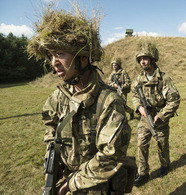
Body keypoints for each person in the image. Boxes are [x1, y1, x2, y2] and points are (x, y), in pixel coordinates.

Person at [27, 8, 135, 194]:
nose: (54, 62)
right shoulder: (58, 97)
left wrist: (71, 184)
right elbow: (51, 131)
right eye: (51, 56)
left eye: (60, 53)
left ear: (83, 58)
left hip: (98, 187)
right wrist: (51, 168)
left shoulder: (109, 101)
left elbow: (110, 156)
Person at [131, 40, 180, 186]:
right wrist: (139, 107)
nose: (142, 62)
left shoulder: (164, 79)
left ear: (153, 59)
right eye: (140, 59)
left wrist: (162, 116)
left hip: (159, 119)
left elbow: (174, 100)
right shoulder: (139, 79)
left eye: (145, 58)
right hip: (145, 118)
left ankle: (165, 165)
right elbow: (134, 95)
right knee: (141, 145)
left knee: (162, 145)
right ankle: (143, 173)